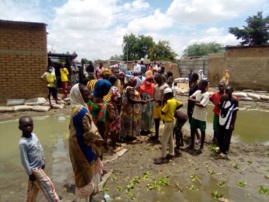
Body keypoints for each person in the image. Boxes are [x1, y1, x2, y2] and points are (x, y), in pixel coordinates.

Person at [69, 83, 104, 201]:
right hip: (82, 146)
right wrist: (99, 143)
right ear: (78, 95)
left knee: (85, 170)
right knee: (85, 171)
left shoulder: (76, 108)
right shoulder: (81, 112)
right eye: (86, 93)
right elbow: (89, 134)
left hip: (76, 143)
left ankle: (87, 197)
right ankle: (84, 198)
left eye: (89, 92)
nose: (89, 96)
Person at [18, 116, 60, 202]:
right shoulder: (23, 143)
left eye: (30, 125)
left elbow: (39, 148)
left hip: (39, 167)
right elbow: (24, 160)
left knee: (33, 189)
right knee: (49, 186)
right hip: (35, 170)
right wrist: (30, 173)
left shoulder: (34, 135)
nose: (29, 127)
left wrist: (43, 159)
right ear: (20, 128)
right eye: (25, 126)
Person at [154, 88, 183, 164]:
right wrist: (173, 110)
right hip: (172, 121)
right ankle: (171, 153)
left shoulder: (168, 102)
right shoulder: (174, 101)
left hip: (168, 122)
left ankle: (163, 157)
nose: (163, 96)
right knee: (170, 138)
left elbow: (163, 112)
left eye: (164, 95)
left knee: (163, 140)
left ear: (167, 95)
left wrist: (163, 102)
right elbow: (181, 104)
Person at [119, 78, 148, 143]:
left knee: (126, 122)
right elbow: (131, 100)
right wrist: (141, 101)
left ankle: (125, 136)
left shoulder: (127, 88)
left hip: (126, 108)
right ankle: (127, 137)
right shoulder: (130, 89)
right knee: (129, 123)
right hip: (129, 109)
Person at [186, 79, 209, 154]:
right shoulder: (198, 92)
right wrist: (197, 101)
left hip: (202, 116)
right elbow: (189, 98)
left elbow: (202, 105)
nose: (198, 85)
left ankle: (201, 147)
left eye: (200, 84)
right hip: (195, 115)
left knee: (202, 131)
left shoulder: (206, 94)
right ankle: (192, 144)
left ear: (204, 86)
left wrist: (194, 101)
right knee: (192, 129)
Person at [87, 79, 112, 148]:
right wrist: (102, 138)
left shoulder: (87, 96)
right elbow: (101, 122)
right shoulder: (103, 105)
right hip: (94, 127)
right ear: (106, 92)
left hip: (85, 122)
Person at [218, 85, 238, 159]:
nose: (227, 92)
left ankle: (224, 151)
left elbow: (235, 113)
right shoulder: (223, 98)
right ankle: (220, 148)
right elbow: (219, 107)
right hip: (221, 120)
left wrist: (233, 124)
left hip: (229, 122)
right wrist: (223, 100)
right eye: (226, 91)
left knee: (226, 137)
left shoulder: (234, 101)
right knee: (219, 135)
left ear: (232, 91)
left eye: (228, 91)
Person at [150, 73, 169, 141]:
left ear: (160, 78)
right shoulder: (156, 86)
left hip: (162, 106)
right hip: (156, 105)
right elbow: (154, 96)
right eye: (155, 80)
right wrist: (150, 100)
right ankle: (156, 135)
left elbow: (168, 97)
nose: (156, 81)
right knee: (156, 121)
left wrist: (161, 101)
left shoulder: (166, 86)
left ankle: (167, 137)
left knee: (165, 121)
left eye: (157, 79)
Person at [187, 73, 201, 143]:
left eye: (191, 77)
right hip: (190, 104)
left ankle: (198, 137)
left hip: (192, 105)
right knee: (190, 120)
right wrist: (189, 83)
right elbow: (190, 90)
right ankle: (193, 134)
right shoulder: (193, 85)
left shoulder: (197, 86)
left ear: (194, 78)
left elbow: (196, 96)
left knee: (192, 121)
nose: (190, 78)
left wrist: (193, 107)